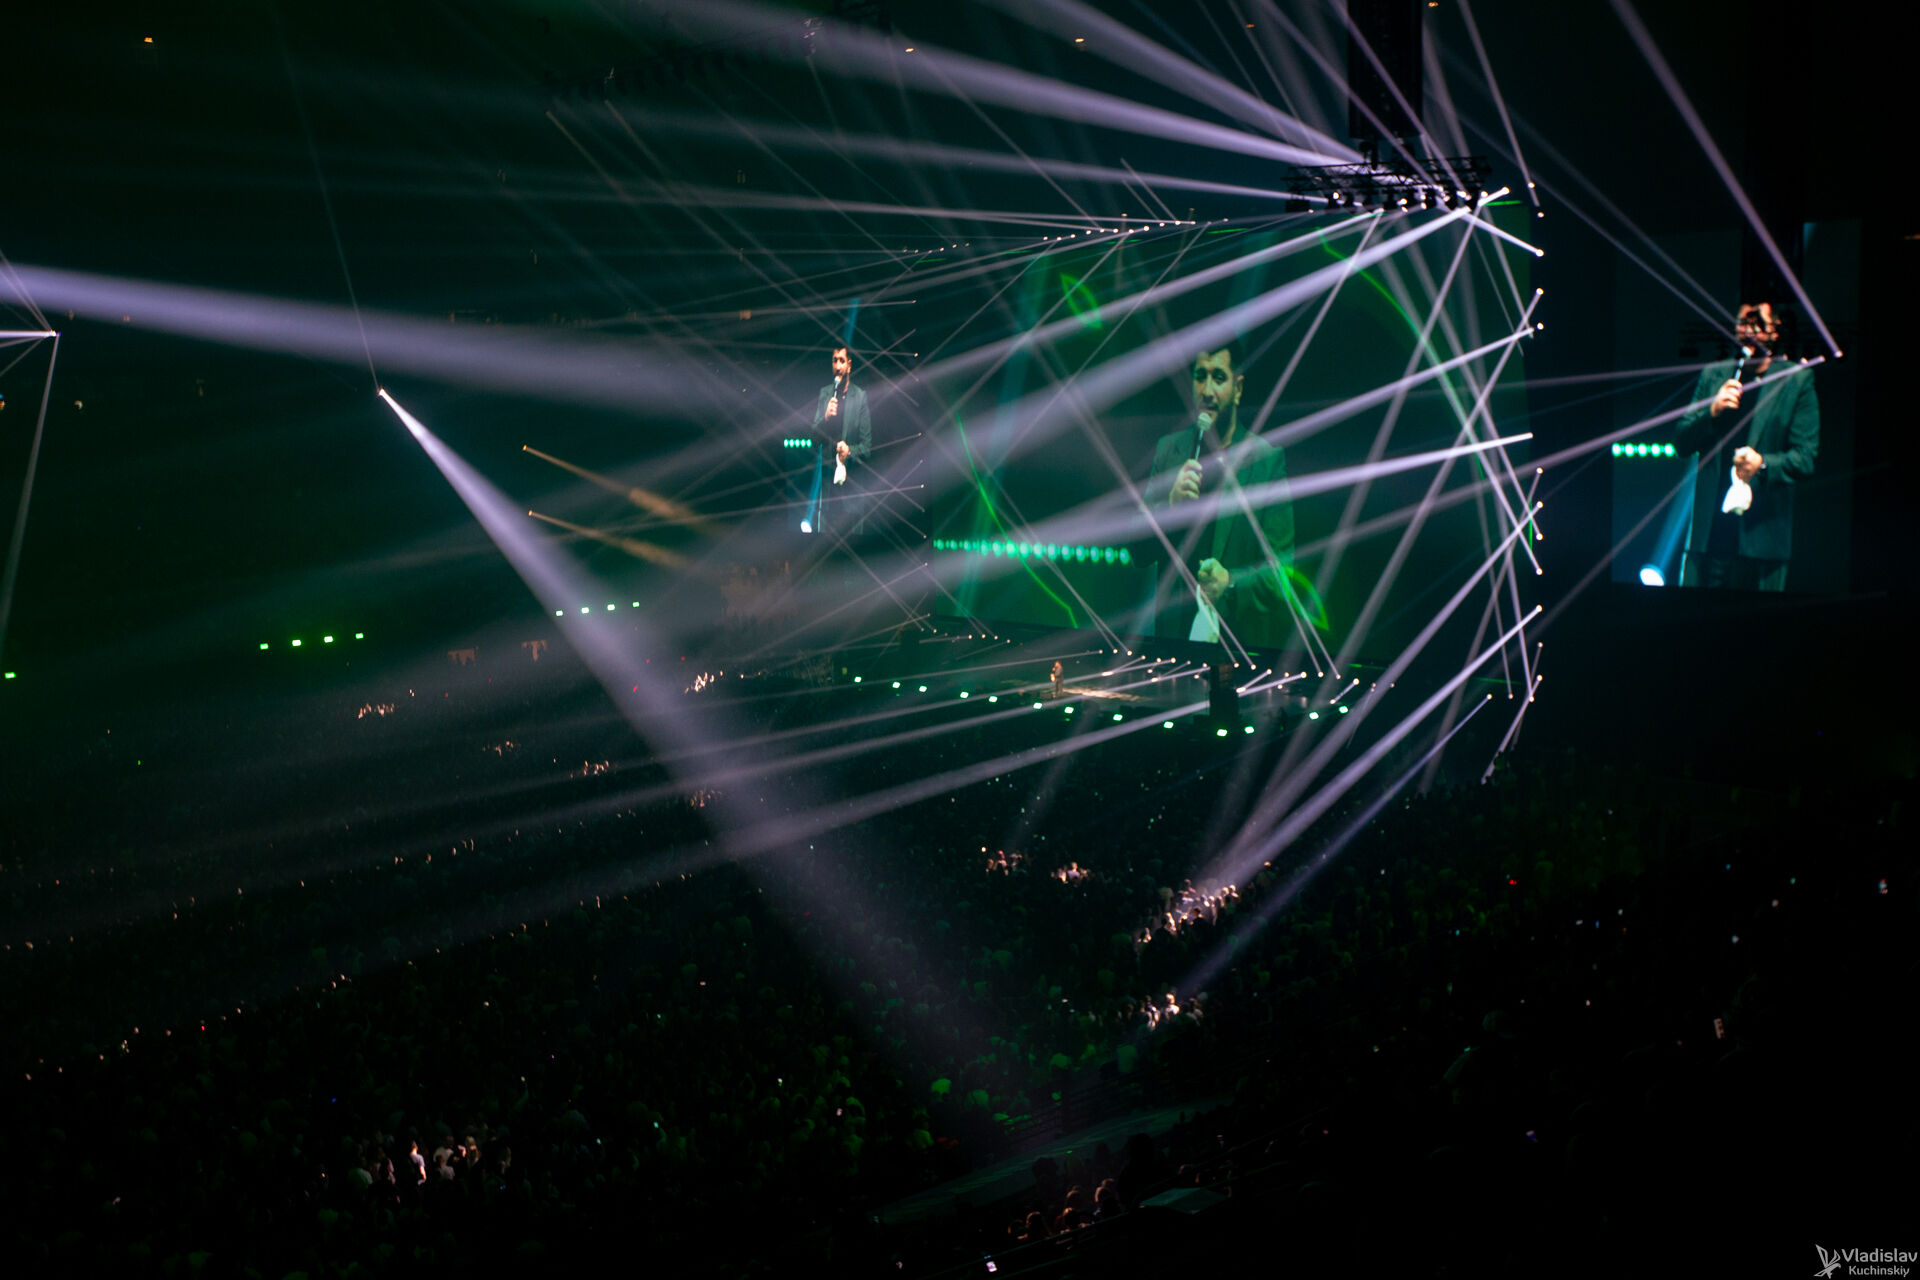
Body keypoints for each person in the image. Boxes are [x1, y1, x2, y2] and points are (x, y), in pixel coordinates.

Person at [1145, 341, 1297, 648]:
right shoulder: (1170, 451)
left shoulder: (1265, 461)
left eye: (1218, 378)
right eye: (1200, 377)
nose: (1207, 391)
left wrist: (1230, 583)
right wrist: (1169, 506)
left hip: (1237, 648)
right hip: (1172, 643)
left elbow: (1280, 576)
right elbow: (1137, 549)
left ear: (1237, 389)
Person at [1673, 301, 1819, 591]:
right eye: (1743, 322)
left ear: (1774, 330)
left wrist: (1762, 464)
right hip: (1710, 537)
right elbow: (1681, 443)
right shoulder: (1715, 375)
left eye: (1758, 323)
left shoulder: (1795, 379)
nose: (1749, 330)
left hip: (1761, 542)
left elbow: (1805, 458)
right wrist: (1712, 410)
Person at [809, 345, 872, 534]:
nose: (837, 366)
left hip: (852, 496)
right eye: (834, 360)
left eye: (841, 361)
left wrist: (849, 451)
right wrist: (825, 418)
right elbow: (813, 441)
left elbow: (867, 447)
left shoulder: (860, 397)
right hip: (828, 495)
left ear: (849, 365)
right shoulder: (825, 394)